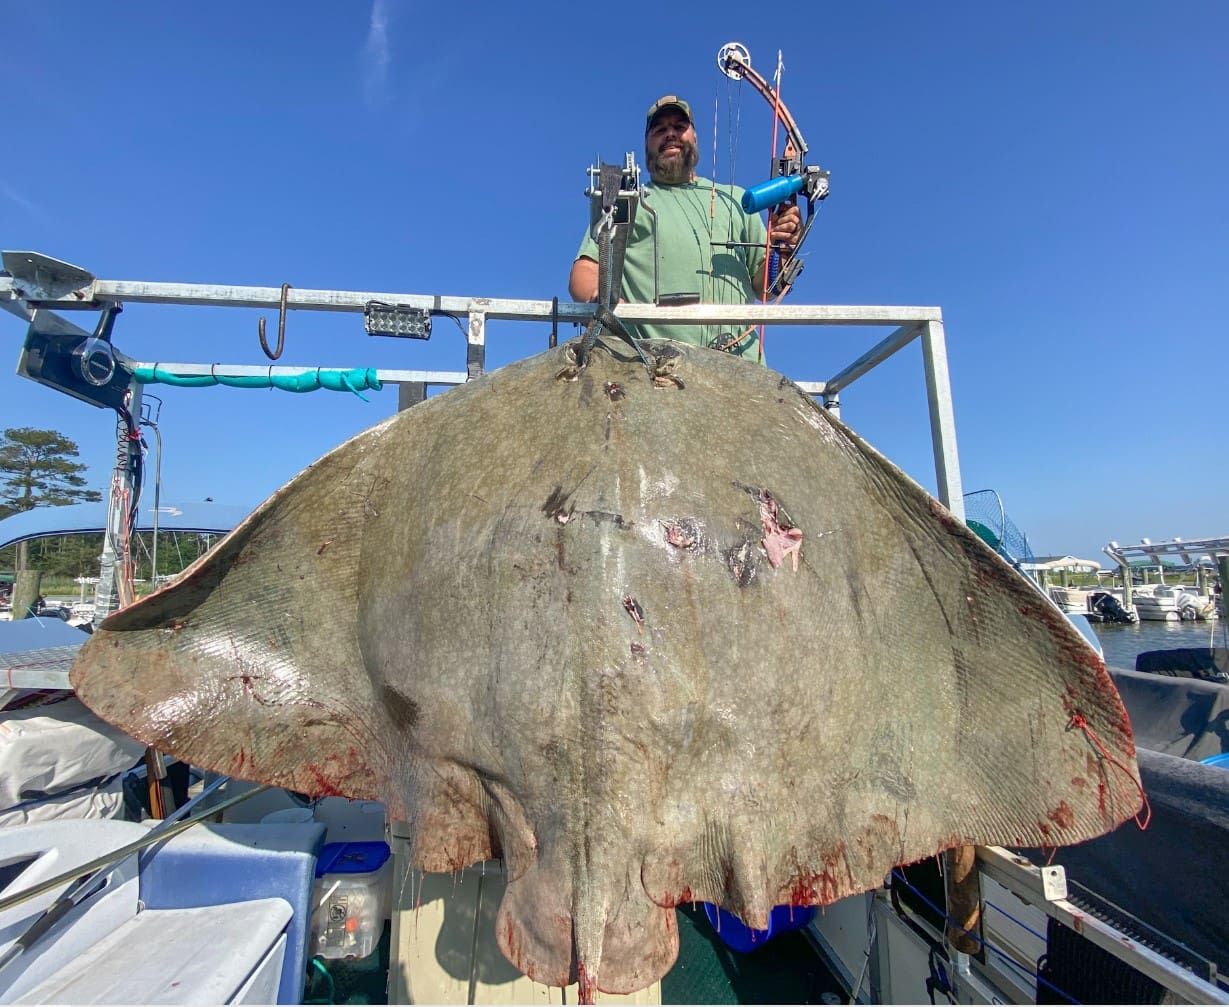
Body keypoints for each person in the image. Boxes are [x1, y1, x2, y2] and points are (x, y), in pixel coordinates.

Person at [568, 95, 801, 358]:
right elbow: (584, 270)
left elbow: (767, 288)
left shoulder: (738, 199)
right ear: (646, 145)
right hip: (653, 373)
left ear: (695, 137)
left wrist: (784, 244)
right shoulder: (628, 202)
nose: (670, 134)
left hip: (739, 373)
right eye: (659, 130)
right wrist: (600, 296)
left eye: (679, 127)